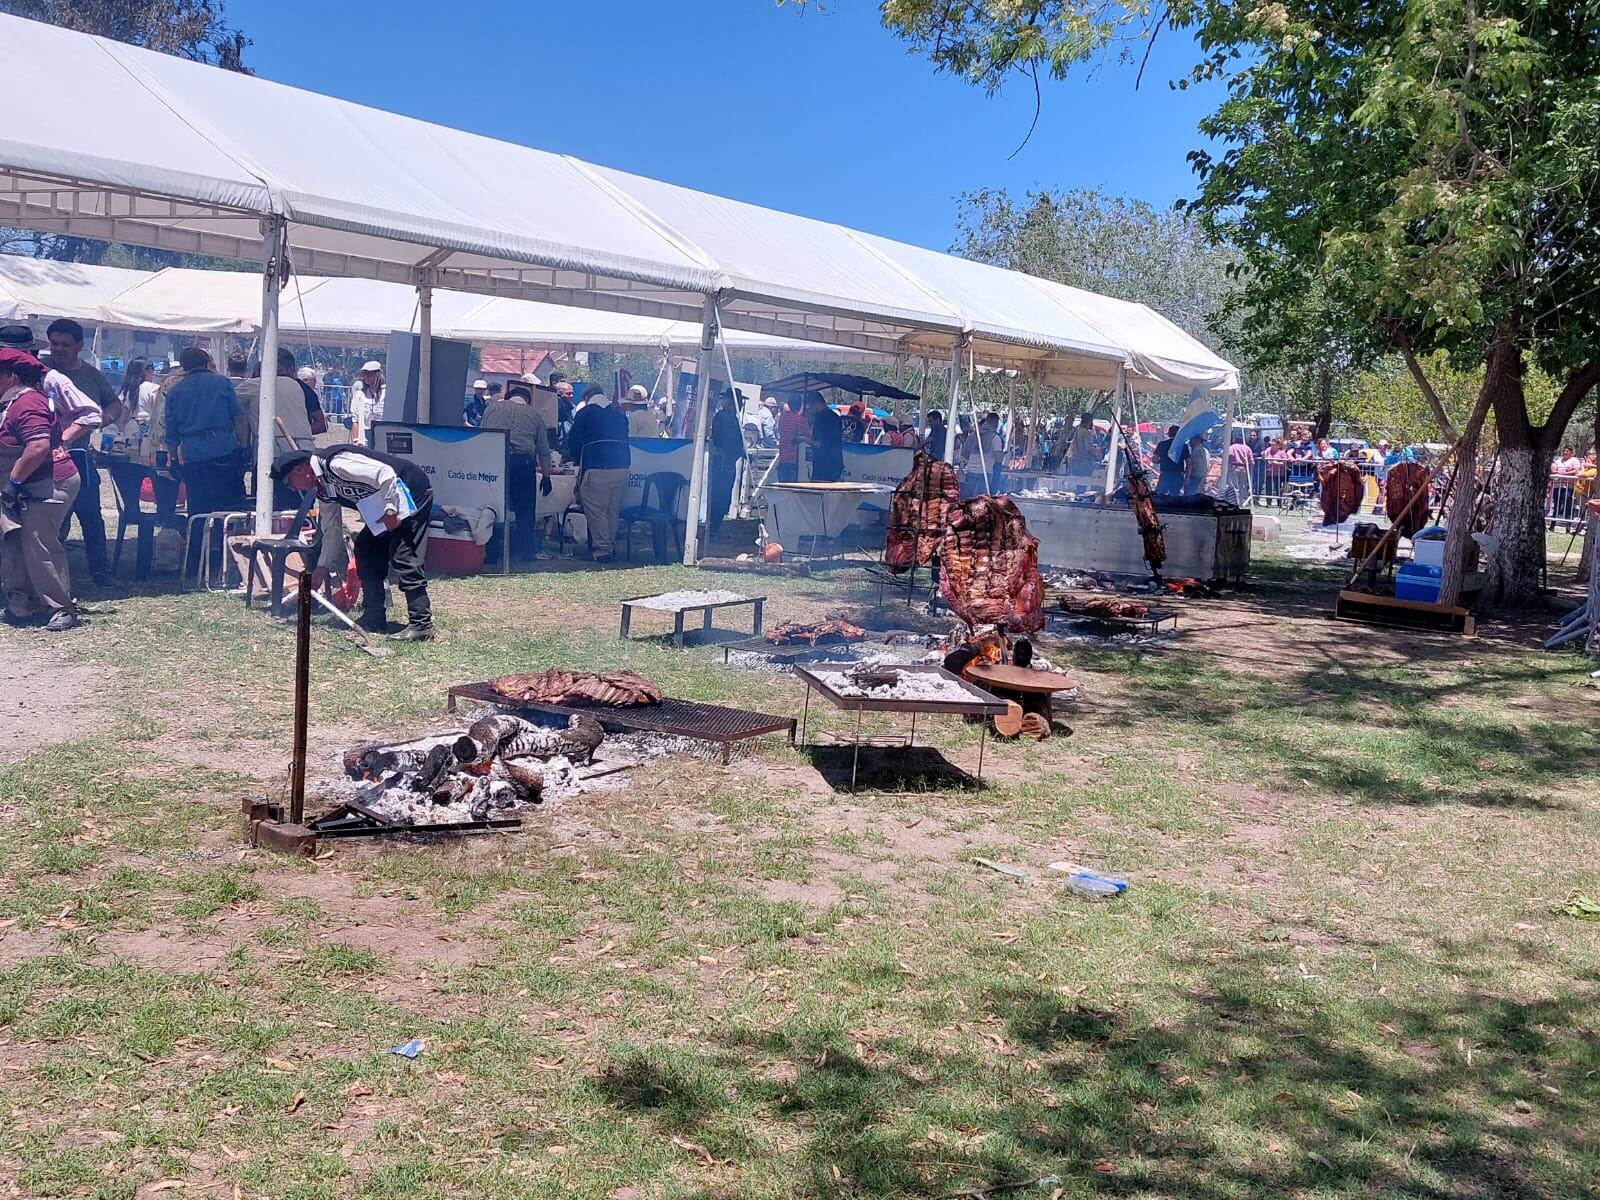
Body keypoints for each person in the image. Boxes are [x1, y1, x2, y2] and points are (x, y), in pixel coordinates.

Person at [269, 446, 435, 641]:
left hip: (411, 490)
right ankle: (374, 616)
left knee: (404, 556)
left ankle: (421, 624)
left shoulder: (336, 464)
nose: (292, 488)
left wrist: (391, 511)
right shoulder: (322, 490)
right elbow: (332, 531)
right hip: (384, 505)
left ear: (299, 469)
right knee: (366, 548)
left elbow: (385, 473)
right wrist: (321, 569)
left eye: (289, 482)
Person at [0, 348, 80, 629]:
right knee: (14, 542)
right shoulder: (8, 402)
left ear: (10, 376)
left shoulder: (28, 403)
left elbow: (38, 446)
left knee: (39, 544)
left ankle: (61, 608)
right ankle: (18, 604)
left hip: (47, 482)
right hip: (26, 484)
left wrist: (13, 482)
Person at [165, 346, 249, 574]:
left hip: (194, 456)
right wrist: (244, 447)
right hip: (224, 451)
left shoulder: (175, 391)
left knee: (197, 511)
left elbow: (171, 433)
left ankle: (195, 562)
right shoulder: (222, 384)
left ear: (184, 366)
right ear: (205, 362)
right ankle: (228, 560)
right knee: (229, 508)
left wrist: (173, 459)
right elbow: (239, 418)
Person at [479, 383, 554, 563]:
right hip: (523, 463)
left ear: (507, 397)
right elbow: (544, 450)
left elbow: (480, 436)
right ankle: (525, 553)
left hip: (496, 461)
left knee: (495, 508)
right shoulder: (534, 415)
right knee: (525, 510)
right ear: (527, 400)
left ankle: (491, 553)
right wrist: (546, 476)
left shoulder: (491, 410)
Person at [235, 348, 317, 509]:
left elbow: (229, 402)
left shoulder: (256, 385)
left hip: (275, 452)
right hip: (304, 449)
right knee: (303, 503)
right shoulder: (295, 385)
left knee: (272, 504)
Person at [563, 384, 630, 561]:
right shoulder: (619, 415)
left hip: (598, 468)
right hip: (622, 469)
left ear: (586, 397)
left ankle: (602, 549)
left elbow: (574, 440)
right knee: (612, 511)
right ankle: (611, 544)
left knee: (596, 510)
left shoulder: (585, 413)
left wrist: (576, 459)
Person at [708, 388, 746, 542]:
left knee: (724, 494)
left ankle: (715, 527)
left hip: (727, 460)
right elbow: (726, 441)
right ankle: (713, 528)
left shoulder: (729, 417)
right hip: (723, 461)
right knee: (720, 494)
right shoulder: (725, 418)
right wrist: (741, 452)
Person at [803, 392, 844, 482]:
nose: (810, 411)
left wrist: (803, 439)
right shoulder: (836, 417)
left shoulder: (820, 418)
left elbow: (818, 444)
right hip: (836, 463)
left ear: (816, 403)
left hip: (823, 466)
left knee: (817, 494)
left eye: (810, 408)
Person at [350, 361, 386, 446]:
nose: (366, 377)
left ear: (377, 375)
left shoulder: (386, 393)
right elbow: (355, 421)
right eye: (364, 374)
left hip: (381, 436)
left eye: (369, 374)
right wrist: (355, 441)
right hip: (365, 437)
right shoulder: (359, 395)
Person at [774, 394, 808, 483]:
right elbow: (808, 436)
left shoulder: (782, 419)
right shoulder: (801, 420)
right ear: (801, 405)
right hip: (794, 461)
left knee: (782, 489)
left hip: (782, 459)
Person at [1153, 425, 1185, 496]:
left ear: (1168, 433)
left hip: (1165, 473)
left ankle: (1159, 506)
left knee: (1160, 494)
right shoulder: (1183, 446)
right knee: (1174, 495)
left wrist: (1162, 461)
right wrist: (1187, 477)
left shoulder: (1162, 444)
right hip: (1178, 474)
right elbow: (1189, 462)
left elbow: (1154, 459)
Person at [1225, 431, 1255, 505]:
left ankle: (1236, 502)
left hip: (1234, 467)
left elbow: (1229, 455)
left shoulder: (1232, 447)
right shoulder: (1247, 448)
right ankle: (1242, 502)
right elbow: (1251, 461)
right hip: (1244, 468)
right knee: (1243, 486)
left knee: (1234, 486)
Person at [1182, 433, 1211, 497]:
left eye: (1191, 440)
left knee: (1189, 495)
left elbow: (1195, 465)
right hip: (1201, 476)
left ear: (1196, 440)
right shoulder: (1204, 450)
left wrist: (1187, 473)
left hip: (1194, 476)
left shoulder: (1196, 450)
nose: (1190, 442)